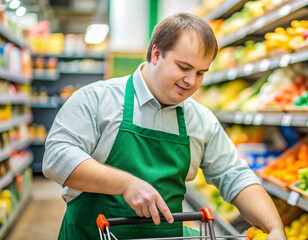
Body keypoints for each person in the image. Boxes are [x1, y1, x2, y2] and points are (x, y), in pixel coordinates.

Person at [43, 13, 286, 240]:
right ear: (156, 54)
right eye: (184, 67)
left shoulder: (200, 120)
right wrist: (126, 184)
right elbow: (57, 158)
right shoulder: (96, 99)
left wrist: (274, 228)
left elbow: (235, 176)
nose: (191, 81)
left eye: (201, 73)